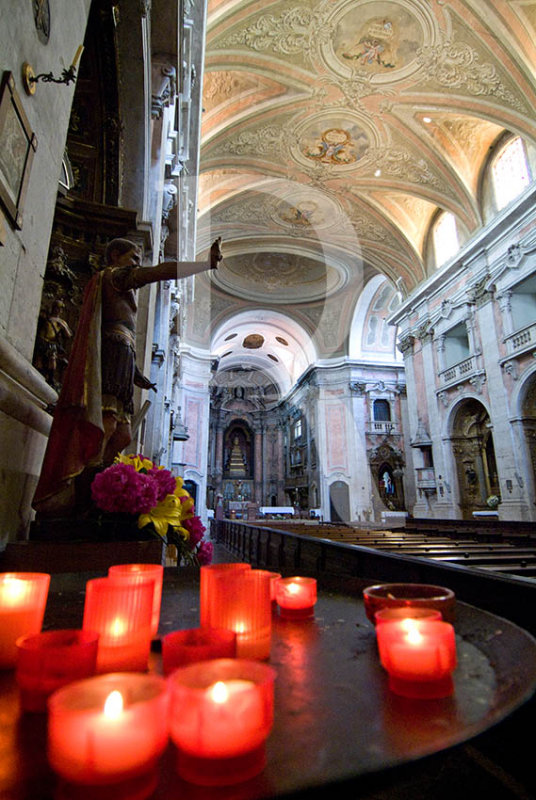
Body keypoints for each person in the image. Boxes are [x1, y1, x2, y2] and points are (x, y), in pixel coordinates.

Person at [32, 237, 222, 515]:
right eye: (132, 257)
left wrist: (135, 372)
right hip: (110, 355)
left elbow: (127, 335)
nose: (136, 262)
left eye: (138, 258)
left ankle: (102, 486)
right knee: (106, 424)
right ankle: (86, 495)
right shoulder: (114, 277)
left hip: (123, 357)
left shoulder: (119, 285)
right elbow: (156, 272)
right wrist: (203, 264)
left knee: (121, 435)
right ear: (115, 256)